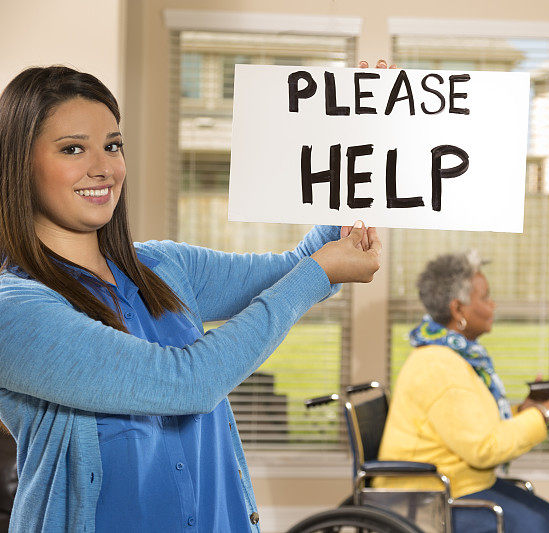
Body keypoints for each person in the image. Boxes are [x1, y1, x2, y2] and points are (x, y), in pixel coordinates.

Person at [0, 65, 382, 532]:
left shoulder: (164, 268)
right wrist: (319, 273)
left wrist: (355, 141)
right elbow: (189, 384)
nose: (102, 167)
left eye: (112, 145)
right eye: (73, 148)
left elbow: (297, 268)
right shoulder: (14, 309)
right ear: (19, 163)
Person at [375, 251, 549, 533]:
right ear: (458, 310)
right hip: (428, 498)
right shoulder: (440, 366)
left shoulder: (454, 357)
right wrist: (546, 412)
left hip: (462, 483)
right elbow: (484, 449)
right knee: (544, 527)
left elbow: (474, 426)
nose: (493, 304)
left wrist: (525, 410)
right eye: (485, 297)